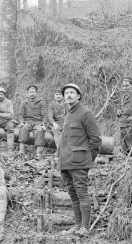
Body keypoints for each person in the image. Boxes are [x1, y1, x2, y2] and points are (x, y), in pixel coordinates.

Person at [57, 84, 101, 236]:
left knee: (82, 193)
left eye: (72, 93)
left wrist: (88, 159)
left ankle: (85, 227)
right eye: (66, 93)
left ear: (78, 96)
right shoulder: (68, 114)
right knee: (73, 194)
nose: (68, 95)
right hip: (65, 162)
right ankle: (77, 225)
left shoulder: (85, 113)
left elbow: (95, 139)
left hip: (79, 162)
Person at [17, 85, 48, 158]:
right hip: (27, 122)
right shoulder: (24, 103)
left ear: (36, 93)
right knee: (23, 128)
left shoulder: (41, 103)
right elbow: (20, 114)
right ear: (27, 93)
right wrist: (21, 122)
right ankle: (21, 151)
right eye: (30, 92)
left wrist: (43, 124)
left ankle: (38, 154)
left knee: (39, 131)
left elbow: (44, 115)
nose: (32, 93)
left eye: (33, 92)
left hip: (37, 122)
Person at [116, 77, 132, 156]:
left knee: (130, 141)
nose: (125, 88)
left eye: (127, 85)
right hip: (122, 122)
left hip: (131, 122)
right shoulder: (122, 97)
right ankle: (125, 156)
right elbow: (120, 108)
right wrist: (118, 112)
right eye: (124, 86)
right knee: (123, 141)